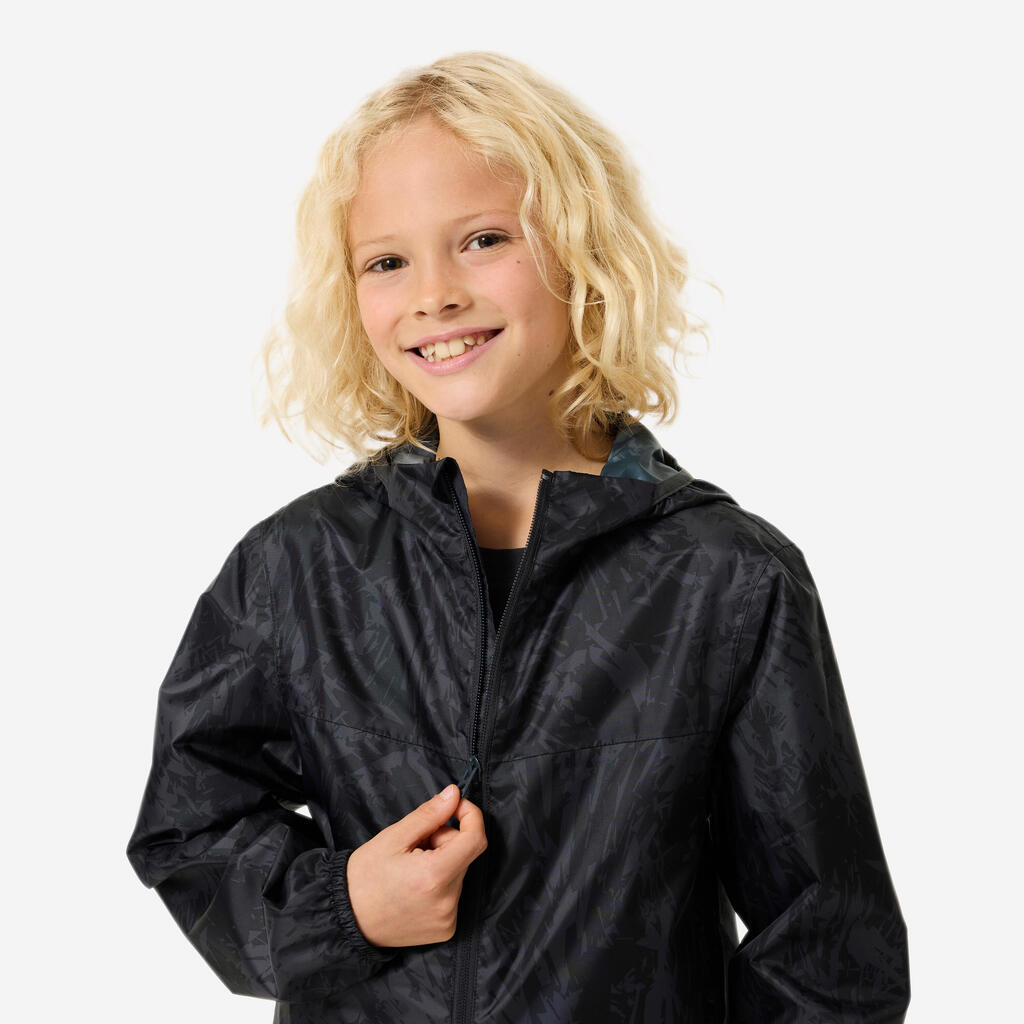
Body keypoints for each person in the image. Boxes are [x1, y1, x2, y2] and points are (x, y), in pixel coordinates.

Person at [127, 51, 910, 1023]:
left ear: (582, 250)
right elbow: (190, 821)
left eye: (483, 239)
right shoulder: (299, 568)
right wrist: (345, 905)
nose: (434, 294)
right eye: (387, 261)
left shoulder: (726, 580)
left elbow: (828, 948)